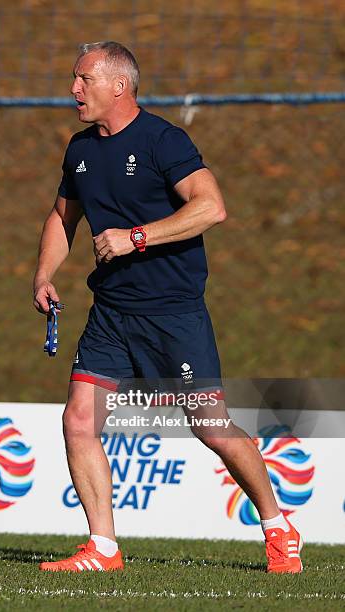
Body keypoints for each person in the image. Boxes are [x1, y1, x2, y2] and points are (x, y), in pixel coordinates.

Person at [33, 41, 302, 574]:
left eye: (84, 79)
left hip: (173, 315)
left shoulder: (163, 140)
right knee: (78, 421)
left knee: (209, 425)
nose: (73, 90)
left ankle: (278, 526)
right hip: (110, 313)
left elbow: (211, 207)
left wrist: (137, 237)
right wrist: (44, 274)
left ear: (119, 85)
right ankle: (103, 548)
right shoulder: (80, 149)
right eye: (74, 78)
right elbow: (63, 219)